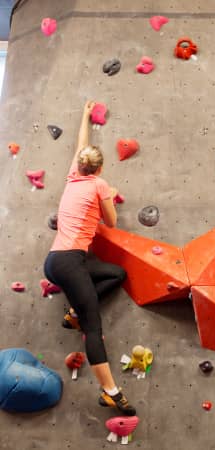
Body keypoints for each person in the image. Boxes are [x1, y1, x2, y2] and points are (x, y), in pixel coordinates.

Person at [44, 100, 136, 415]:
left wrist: (84, 115)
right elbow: (110, 222)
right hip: (70, 262)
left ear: (80, 165)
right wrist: (107, 194)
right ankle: (111, 391)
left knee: (115, 274)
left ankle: (73, 312)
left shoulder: (74, 175)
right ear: (99, 169)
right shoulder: (98, 184)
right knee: (93, 328)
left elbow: (80, 144)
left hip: (58, 261)